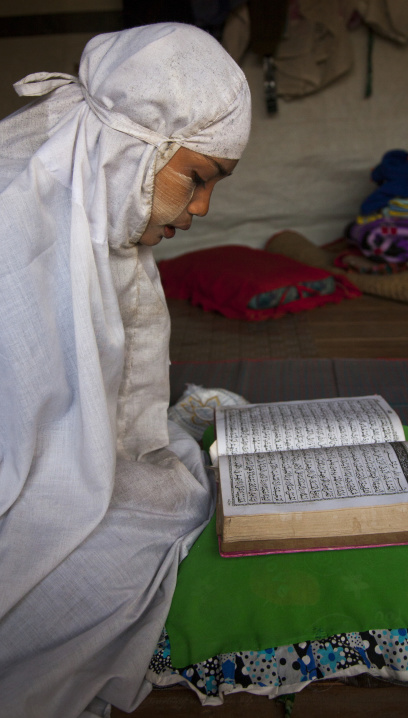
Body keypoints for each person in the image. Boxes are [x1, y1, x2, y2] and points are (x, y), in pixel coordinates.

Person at [0, 23, 251, 718]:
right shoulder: (10, 230)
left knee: (175, 490)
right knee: (107, 566)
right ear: (136, 148)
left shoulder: (103, 225)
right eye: (196, 178)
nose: (200, 210)